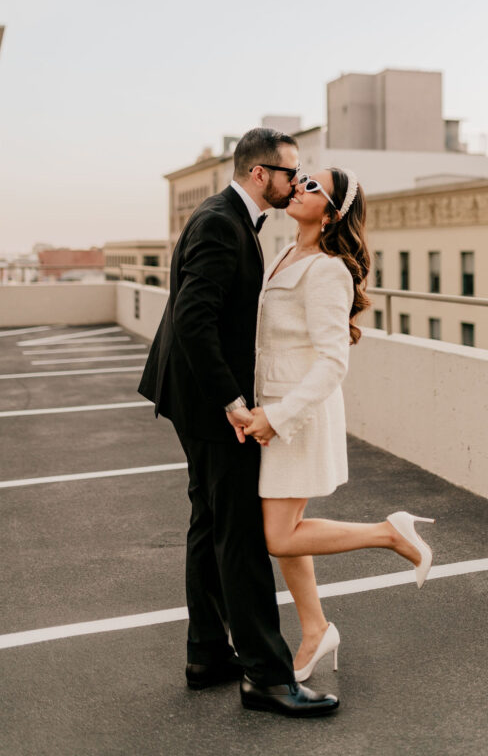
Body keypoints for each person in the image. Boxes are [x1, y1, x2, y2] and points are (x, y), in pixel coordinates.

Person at [138, 128, 339, 717]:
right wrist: (234, 404)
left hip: (192, 394)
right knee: (240, 535)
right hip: (207, 403)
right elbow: (195, 320)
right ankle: (267, 677)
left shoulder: (228, 218)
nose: (296, 182)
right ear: (260, 175)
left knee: (209, 520)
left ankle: (207, 654)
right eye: (290, 173)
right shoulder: (222, 224)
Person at [242, 168, 435, 681]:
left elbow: (333, 362)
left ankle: (389, 534)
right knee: (289, 531)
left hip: (295, 417)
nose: (299, 186)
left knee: (279, 537)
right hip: (273, 408)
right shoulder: (287, 253)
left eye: (312, 186)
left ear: (331, 212)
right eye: (301, 178)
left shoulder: (328, 269)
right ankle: (315, 629)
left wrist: (277, 418)